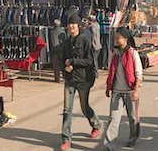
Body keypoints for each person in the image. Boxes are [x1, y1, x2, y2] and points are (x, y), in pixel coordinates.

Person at [60, 15, 101, 151]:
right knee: (67, 110)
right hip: (70, 80)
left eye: (74, 24)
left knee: (84, 107)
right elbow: (63, 60)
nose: (71, 26)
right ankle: (66, 139)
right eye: (69, 24)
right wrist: (65, 68)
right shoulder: (66, 42)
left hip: (84, 79)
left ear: (78, 26)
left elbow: (89, 61)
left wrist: (73, 62)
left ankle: (95, 124)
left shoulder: (85, 40)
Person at [104, 28, 143, 150]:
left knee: (132, 118)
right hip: (117, 91)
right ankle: (109, 145)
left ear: (126, 39)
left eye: (118, 37)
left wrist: (136, 91)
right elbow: (111, 71)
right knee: (113, 119)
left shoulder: (133, 53)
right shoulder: (115, 53)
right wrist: (108, 87)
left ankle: (133, 137)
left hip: (130, 91)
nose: (116, 39)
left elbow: (139, 74)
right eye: (115, 37)